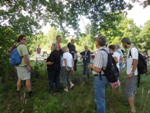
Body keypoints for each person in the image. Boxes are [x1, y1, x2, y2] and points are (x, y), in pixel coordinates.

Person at [88, 36, 109, 113]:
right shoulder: (107, 51)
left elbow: (98, 69)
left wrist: (90, 66)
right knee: (101, 97)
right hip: (106, 76)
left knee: (99, 99)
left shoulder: (100, 53)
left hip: (100, 78)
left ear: (97, 43)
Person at [121, 38, 138, 113]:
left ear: (125, 42)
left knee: (128, 91)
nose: (122, 45)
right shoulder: (130, 50)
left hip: (132, 75)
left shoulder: (133, 49)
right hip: (131, 74)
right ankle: (132, 108)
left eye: (122, 43)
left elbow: (136, 61)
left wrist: (132, 72)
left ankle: (133, 109)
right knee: (132, 91)